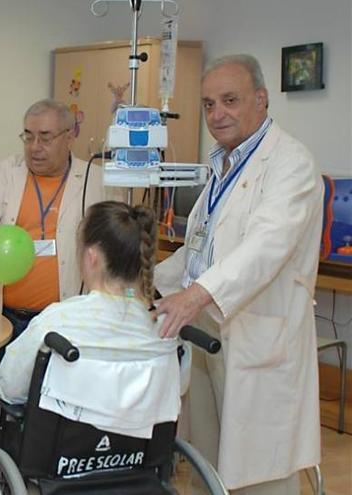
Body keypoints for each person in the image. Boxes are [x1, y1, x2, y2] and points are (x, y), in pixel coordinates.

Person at [154, 54, 322, 494]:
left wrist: (195, 295)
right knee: (210, 462)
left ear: (261, 99)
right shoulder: (224, 164)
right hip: (210, 330)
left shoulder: (290, 163)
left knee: (258, 474)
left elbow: (264, 249)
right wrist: (149, 280)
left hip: (257, 337)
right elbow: (203, 246)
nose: (217, 113)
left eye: (230, 100)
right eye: (209, 104)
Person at [0, 201, 179, 446]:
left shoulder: (59, 322)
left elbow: (10, 389)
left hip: (56, 449)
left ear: (91, 257)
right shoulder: (164, 327)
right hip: (133, 449)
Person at [0, 99, 105, 351]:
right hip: (7, 317)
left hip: (65, 319)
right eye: (28, 137)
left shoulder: (94, 181)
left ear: (69, 137)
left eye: (45, 138)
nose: (35, 147)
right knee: (4, 388)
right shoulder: (6, 172)